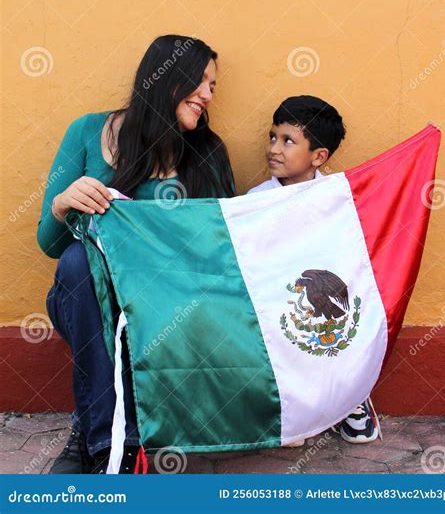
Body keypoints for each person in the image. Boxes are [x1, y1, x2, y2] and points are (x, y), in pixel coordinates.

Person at [38, 35, 235, 473]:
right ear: (165, 79)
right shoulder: (88, 132)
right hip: (89, 298)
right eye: (200, 82)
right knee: (74, 260)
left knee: (133, 313)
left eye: (213, 87)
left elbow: (223, 250)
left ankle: (99, 437)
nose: (207, 95)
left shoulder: (208, 152)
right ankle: (110, 439)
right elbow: (49, 244)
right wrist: (62, 203)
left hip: (169, 307)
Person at [247, 95, 382, 444]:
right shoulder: (255, 199)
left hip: (326, 299)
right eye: (273, 137)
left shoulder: (335, 197)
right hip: (280, 299)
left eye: (289, 141)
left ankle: (352, 397)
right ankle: (294, 407)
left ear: (318, 156)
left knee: (348, 312)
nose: (275, 148)